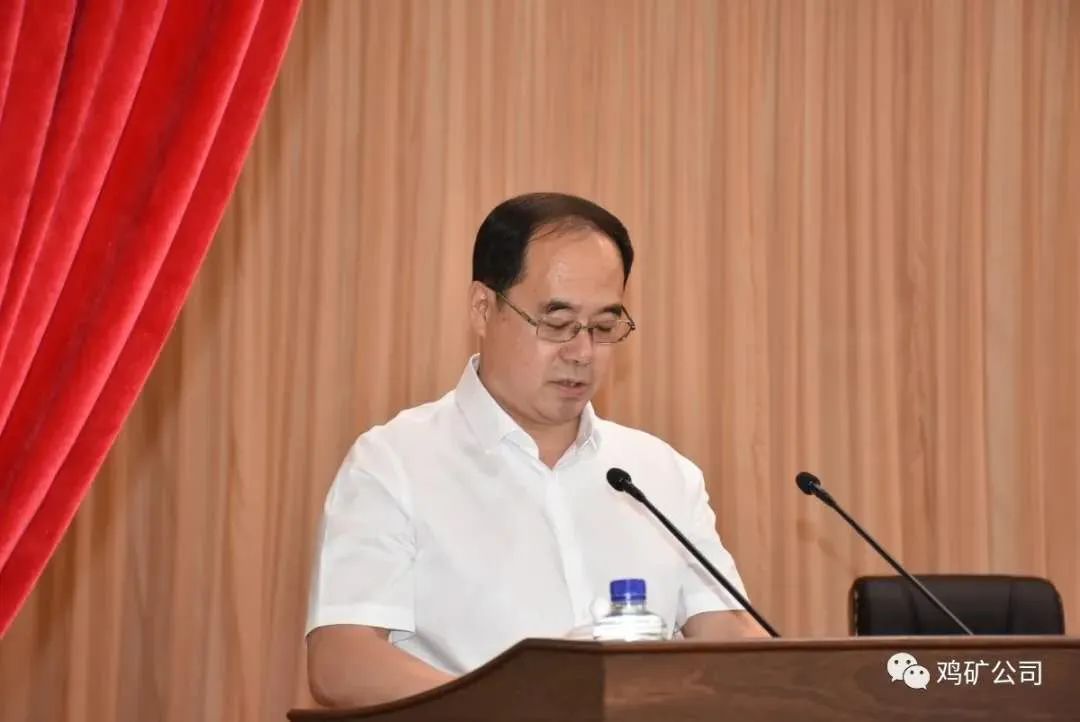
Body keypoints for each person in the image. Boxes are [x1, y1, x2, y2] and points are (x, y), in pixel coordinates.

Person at [305, 192, 767, 708]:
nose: (582, 352)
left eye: (603, 327)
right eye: (557, 323)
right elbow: (342, 660)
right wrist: (513, 709)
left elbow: (730, 636)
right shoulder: (394, 463)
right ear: (484, 308)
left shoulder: (660, 474)